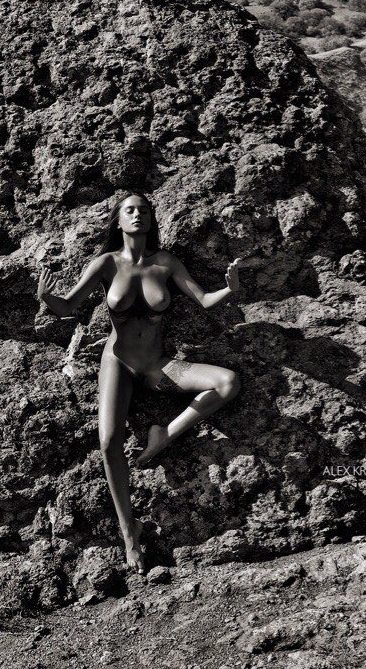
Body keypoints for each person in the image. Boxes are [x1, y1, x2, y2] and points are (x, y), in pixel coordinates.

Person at [36, 191, 241, 575]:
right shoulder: (105, 264)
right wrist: (47, 297)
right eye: (130, 210)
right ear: (118, 220)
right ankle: (129, 531)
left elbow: (204, 300)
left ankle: (164, 435)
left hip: (158, 367)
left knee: (228, 383)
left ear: (151, 219)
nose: (137, 215)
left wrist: (230, 288)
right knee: (108, 441)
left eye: (144, 211)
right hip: (118, 362)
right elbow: (66, 307)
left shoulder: (165, 262)